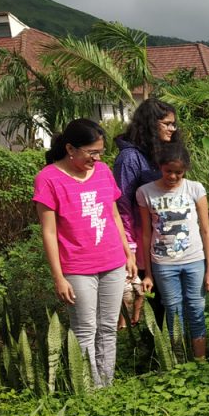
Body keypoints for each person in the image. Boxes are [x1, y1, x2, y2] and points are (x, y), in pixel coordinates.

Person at [34, 118, 137, 387]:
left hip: (113, 261)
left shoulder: (103, 171)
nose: (97, 158)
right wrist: (59, 277)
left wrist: (128, 253)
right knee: (84, 330)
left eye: (100, 152)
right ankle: (86, 390)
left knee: (108, 328)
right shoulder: (48, 179)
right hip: (77, 267)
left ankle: (106, 386)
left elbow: (113, 214)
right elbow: (48, 232)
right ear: (70, 148)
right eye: (91, 152)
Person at [137, 142, 209, 360]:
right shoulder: (145, 192)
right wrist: (148, 273)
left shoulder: (195, 188)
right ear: (160, 167)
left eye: (178, 173)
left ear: (186, 171)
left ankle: (199, 361)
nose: (172, 177)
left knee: (196, 309)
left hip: (194, 260)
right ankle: (179, 363)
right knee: (173, 311)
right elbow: (146, 234)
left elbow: (206, 231)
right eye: (168, 171)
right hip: (163, 263)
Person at [113, 98, 181, 323]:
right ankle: (154, 351)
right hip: (143, 241)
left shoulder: (161, 152)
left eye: (173, 124)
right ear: (150, 124)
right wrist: (130, 248)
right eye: (167, 124)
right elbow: (122, 205)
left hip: (167, 237)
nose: (172, 129)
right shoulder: (130, 158)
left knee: (171, 298)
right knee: (156, 300)